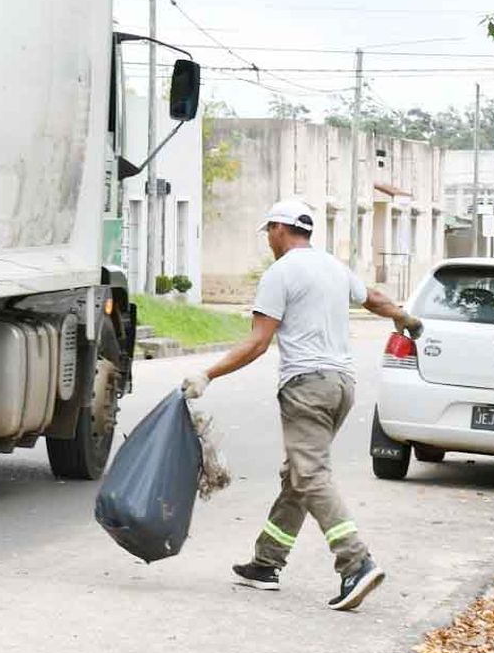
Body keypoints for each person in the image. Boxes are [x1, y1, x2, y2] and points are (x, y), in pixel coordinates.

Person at [181, 199, 422, 612]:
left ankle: (355, 562)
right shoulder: (332, 266)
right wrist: (403, 317)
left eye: (269, 232)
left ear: (279, 228)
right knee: (298, 474)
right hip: (341, 386)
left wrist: (208, 375)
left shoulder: (281, 273)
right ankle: (266, 563)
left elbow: (258, 342)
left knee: (310, 474)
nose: (268, 241)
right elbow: (374, 298)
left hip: (306, 387)